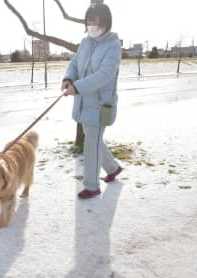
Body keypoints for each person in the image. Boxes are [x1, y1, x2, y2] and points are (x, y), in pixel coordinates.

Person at [62, 3, 123, 199]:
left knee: (91, 144)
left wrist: (77, 87)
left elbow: (104, 75)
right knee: (93, 139)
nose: (91, 25)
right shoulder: (85, 42)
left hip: (99, 105)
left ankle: (92, 185)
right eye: (88, 21)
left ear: (105, 22)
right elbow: (74, 63)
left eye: (95, 21)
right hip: (83, 102)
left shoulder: (113, 45)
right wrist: (68, 78)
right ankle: (113, 168)